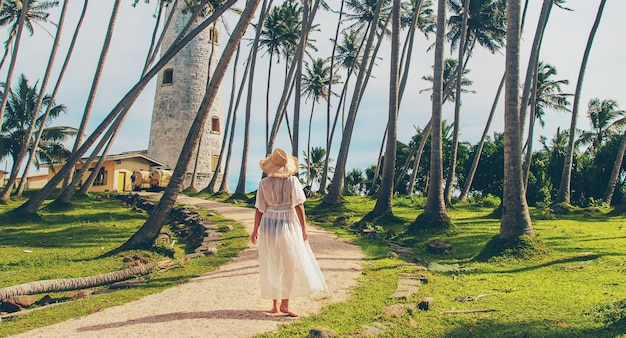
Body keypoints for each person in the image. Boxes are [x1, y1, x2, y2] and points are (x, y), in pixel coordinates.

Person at [250, 148, 327, 317]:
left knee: (273, 263)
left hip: (269, 223)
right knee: (289, 265)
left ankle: (276, 305)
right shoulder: (292, 181)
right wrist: (304, 228)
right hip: (288, 223)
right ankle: (284, 304)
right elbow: (299, 205)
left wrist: (255, 229)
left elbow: (259, 209)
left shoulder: (263, 184)